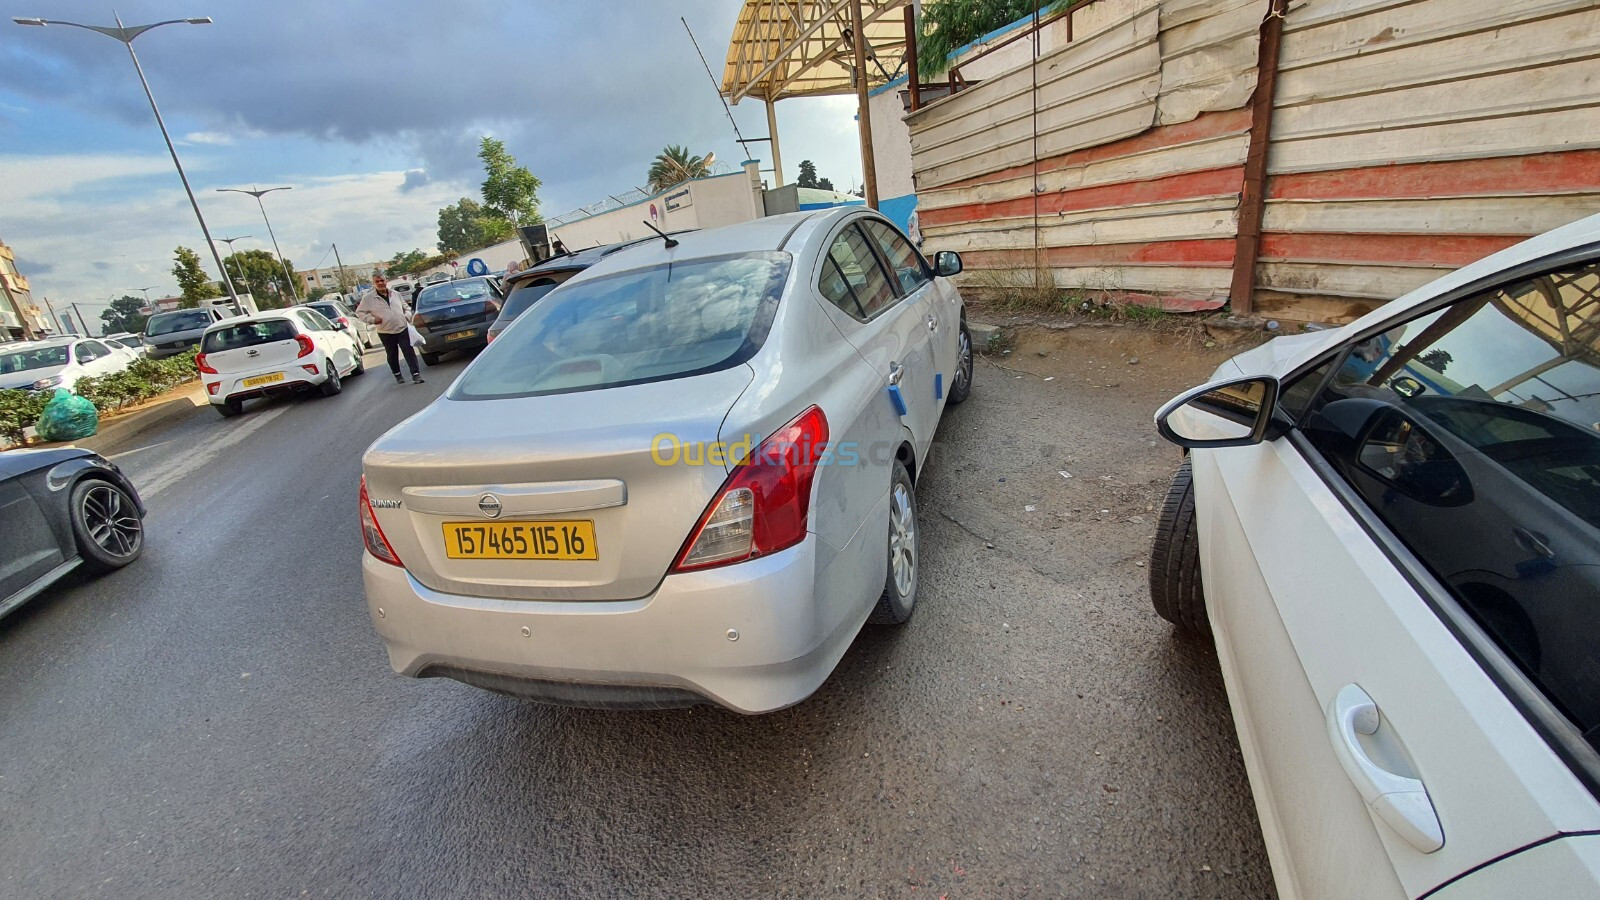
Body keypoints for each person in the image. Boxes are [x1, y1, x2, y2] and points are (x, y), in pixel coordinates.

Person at [355, 272, 424, 384]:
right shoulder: (368, 298)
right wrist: (372, 319)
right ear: (374, 283)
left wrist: (406, 316)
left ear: (386, 281)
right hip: (385, 331)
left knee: (408, 351)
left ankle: (416, 374)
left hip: (402, 328)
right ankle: (397, 374)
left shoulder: (395, 294)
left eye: (382, 280)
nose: (380, 283)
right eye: (377, 281)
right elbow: (359, 313)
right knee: (392, 354)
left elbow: (406, 307)